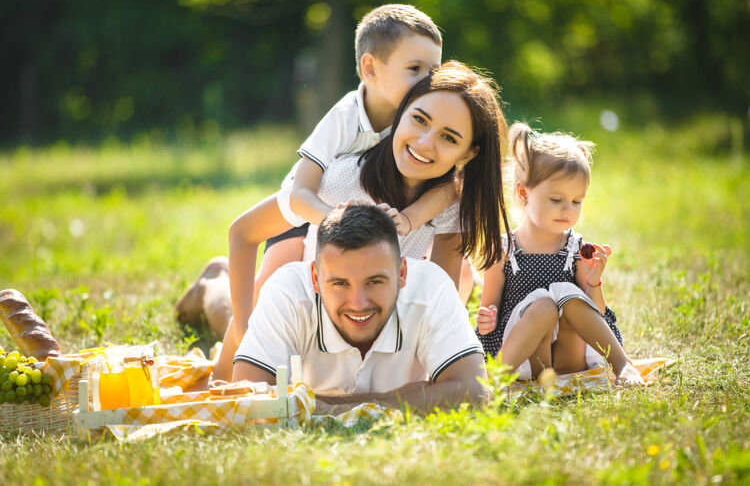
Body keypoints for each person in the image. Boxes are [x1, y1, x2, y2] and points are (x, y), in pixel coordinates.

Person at [207, 60, 511, 381]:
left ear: (467, 154)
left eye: (449, 138)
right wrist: (238, 340)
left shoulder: (451, 204)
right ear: (402, 111)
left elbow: (439, 302)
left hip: (373, 301)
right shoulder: (341, 179)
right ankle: (213, 282)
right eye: (419, 120)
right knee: (246, 305)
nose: (424, 143)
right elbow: (244, 231)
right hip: (317, 286)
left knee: (462, 279)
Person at [233, 205, 489, 414]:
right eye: (340, 283)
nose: (358, 303)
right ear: (315, 277)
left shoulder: (430, 285)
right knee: (218, 309)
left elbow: (474, 391)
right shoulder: (287, 290)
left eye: (375, 282)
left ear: (402, 273)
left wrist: (320, 405)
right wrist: (421, 393)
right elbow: (247, 398)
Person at [475, 123, 644, 385]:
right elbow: (489, 307)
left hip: (568, 362)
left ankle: (622, 365)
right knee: (544, 304)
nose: (568, 210)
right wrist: (487, 317)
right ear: (523, 193)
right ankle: (495, 380)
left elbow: (595, 312)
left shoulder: (575, 248)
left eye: (577, 201)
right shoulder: (503, 249)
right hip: (522, 359)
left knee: (567, 292)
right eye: (556, 200)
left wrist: (593, 282)